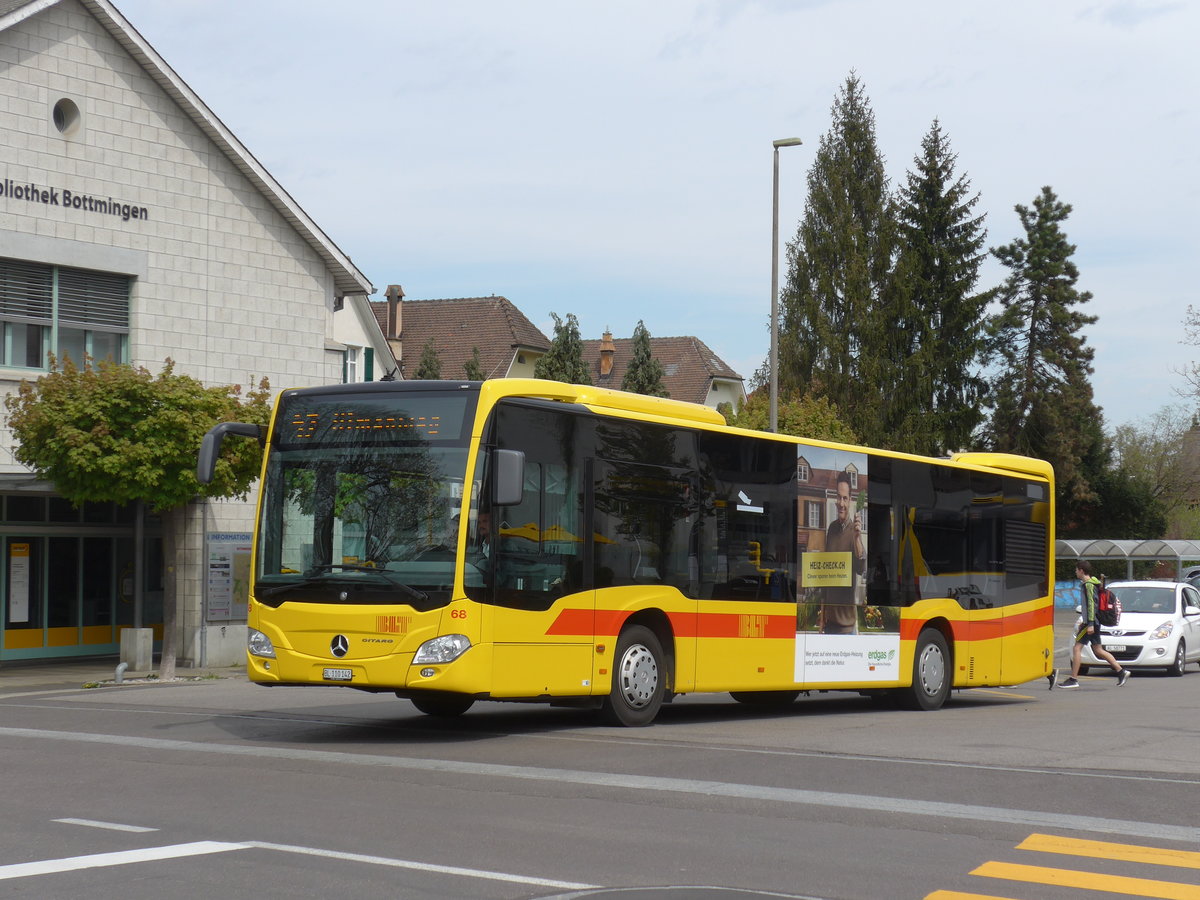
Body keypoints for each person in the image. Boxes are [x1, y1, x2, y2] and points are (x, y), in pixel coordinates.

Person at [1060, 561, 1129, 689]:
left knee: (1076, 648)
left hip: (1090, 623)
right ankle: (1121, 671)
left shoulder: (1088, 586)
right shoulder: (1092, 583)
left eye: (1076, 570)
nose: (1075, 572)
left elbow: (1092, 605)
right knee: (1098, 650)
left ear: (1081, 570)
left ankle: (1073, 679)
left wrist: (1090, 623)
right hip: (1094, 622)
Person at [819, 471, 865, 635]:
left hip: (847, 627)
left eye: (845, 498)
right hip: (829, 624)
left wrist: (858, 538)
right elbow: (825, 575)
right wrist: (822, 616)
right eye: (838, 497)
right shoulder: (831, 529)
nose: (841, 503)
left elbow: (861, 567)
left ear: (850, 500)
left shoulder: (854, 531)